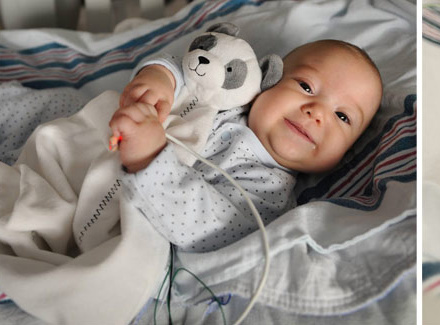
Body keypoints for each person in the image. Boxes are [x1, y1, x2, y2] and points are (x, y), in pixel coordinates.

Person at [109, 39, 383, 252]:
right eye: (306, 86)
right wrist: (161, 79)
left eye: (343, 116)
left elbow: (201, 226)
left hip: (124, 214)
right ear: (269, 79)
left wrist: (149, 157)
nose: (317, 112)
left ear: (344, 153)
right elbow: (191, 70)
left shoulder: (269, 193)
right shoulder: (230, 97)